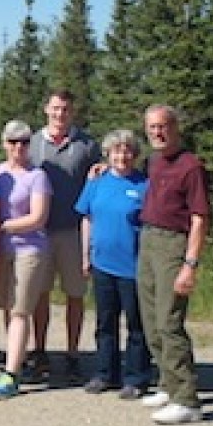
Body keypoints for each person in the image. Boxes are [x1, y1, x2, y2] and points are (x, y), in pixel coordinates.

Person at [137, 105, 210, 425]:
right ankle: (168, 383)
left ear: (176, 128)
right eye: (152, 127)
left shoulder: (190, 167)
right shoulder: (153, 161)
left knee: (170, 321)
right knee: (151, 319)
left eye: (163, 126)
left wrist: (190, 264)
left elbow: (199, 218)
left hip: (173, 245)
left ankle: (187, 400)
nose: (157, 132)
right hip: (149, 239)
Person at [27, 88, 102, 384]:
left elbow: (100, 177)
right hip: (40, 231)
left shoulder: (86, 145)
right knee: (40, 295)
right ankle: (40, 351)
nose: (60, 114)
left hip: (73, 230)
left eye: (65, 110)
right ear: (46, 109)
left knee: (75, 295)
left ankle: (72, 354)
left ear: (72, 112)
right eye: (55, 108)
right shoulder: (32, 144)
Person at [75, 129, 151, 399]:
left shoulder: (144, 185)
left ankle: (136, 377)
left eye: (128, 150)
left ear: (136, 154)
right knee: (105, 323)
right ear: (108, 154)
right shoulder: (96, 181)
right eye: (117, 150)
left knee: (136, 326)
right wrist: (85, 255)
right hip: (102, 264)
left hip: (133, 267)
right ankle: (106, 373)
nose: (123, 156)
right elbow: (86, 218)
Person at [0, 120, 53, 400]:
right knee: (6, 306)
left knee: (20, 310)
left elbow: (38, 217)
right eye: (13, 142)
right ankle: (17, 358)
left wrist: (2, 225)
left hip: (29, 249)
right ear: (4, 144)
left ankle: (11, 374)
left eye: (24, 142)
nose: (18, 147)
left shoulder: (38, 176)